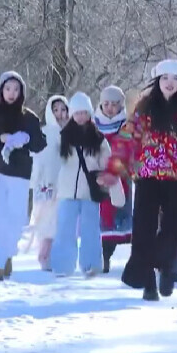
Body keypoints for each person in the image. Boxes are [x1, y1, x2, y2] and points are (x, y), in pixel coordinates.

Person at [103, 59, 177, 301]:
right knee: (143, 230)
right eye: (165, 78)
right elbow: (125, 141)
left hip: (176, 179)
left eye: (175, 79)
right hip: (146, 177)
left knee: (171, 230)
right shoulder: (142, 112)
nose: (170, 83)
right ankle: (148, 282)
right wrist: (113, 169)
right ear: (157, 81)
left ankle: (166, 269)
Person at [0, 71, 47, 281]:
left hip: (19, 175)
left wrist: (27, 138)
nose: (11, 93)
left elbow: (40, 144)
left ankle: (6, 255)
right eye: (8, 88)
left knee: (15, 219)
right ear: (0, 90)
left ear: (21, 92)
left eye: (16, 89)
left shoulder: (29, 118)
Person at [52, 93, 124, 278]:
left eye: (84, 112)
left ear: (90, 113)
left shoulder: (98, 138)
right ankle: (62, 266)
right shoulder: (63, 137)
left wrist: (106, 179)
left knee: (91, 229)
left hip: (90, 191)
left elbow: (108, 163)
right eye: (77, 113)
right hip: (67, 191)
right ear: (72, 115)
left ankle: (91, 264)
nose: (81, 116)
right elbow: (53, 161)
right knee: (64, 229)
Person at [94, 85, 133, 274]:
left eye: (114, 104)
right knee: (104, 216)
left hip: (122, 176)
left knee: (122, 212)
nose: (109, 108)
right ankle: (104, 256)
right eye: (106, 104)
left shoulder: (127, 125)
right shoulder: (93, 124)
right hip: (100, 176)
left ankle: (134, 258)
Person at [30, 95, 69, 271]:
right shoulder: (46, 133)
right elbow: (39, 161)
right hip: (48, 186)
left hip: (66, 186)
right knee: (47, 224)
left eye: (63, 110)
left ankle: (58, 257)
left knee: (61, 223)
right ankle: (44, 256)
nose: (60, 114)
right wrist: (40, 183)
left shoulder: (72, 133)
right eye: (56, 110)